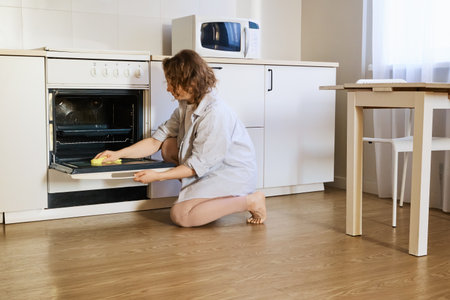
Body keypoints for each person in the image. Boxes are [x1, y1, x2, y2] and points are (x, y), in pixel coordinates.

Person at [94, 49, 266, 227]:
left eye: (171, 83)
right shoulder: (186, 106)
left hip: (229, 174)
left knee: (181, 216)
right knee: (168, 145)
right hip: (206, 167)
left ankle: (251, 200)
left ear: (190, 83)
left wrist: (157, 176)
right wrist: (117, 154)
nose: (168, 88)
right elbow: (156, 141)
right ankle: (200, 198)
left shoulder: (215, 114)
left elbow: (197, 165)